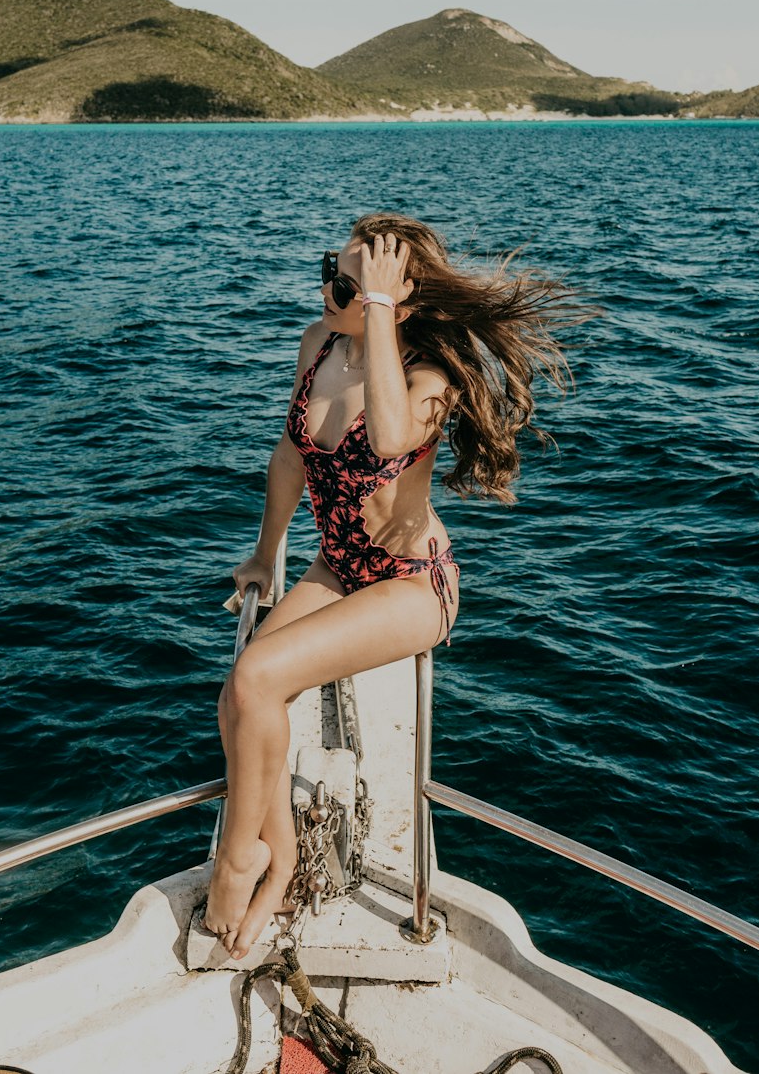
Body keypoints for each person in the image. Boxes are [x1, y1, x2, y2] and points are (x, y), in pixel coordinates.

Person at [204, 211, 586, 959]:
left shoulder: (426, 381)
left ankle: (236, 861)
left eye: (347, 283)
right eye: (329, 269)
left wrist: (378, 310)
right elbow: (291, 456)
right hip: (339, 562)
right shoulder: (320, 344)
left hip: (412, 584)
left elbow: (384, 437)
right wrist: (264, 555)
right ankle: (277, 858)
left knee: (257, 678)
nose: (326, 290)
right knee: (239, 698)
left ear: (397, 302)